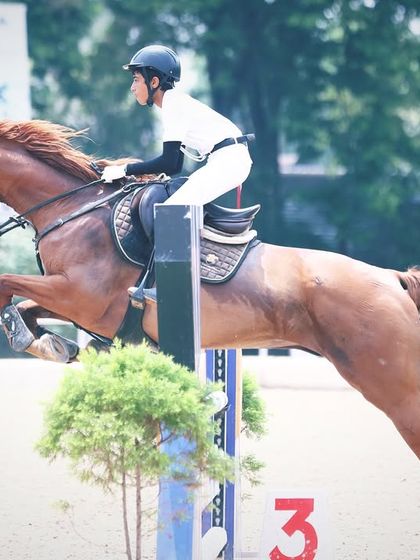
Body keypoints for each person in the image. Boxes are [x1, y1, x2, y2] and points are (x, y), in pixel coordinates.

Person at [101, 44, 253, 303]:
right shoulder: (172, 104)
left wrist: (124, 169)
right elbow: (174, 164)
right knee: (173, 206)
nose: (132, 87)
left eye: (136, 79)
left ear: (155, 81)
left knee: (171, 212)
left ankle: (170, 288)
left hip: (229, 160)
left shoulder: (173, 103)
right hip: (225, 159)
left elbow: (171, 163)